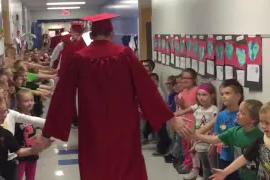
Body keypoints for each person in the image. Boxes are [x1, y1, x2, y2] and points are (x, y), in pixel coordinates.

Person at [35, 13, 190, 180]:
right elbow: (147, 89)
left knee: (96, 166)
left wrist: (47, 133)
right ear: (111, 33)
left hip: (92, 127)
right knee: (126, 166)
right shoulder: (125, 54)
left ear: (91, 35)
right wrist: (170, 118)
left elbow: (62, 96)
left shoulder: (79, 58)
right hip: (124, 126)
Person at [195, 99, 264, 180]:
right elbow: (214, 139)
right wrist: (195, 135)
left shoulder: (260, 137)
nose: (237, 114)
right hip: (238, 173)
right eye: (239, 111)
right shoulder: (234, 131)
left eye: (242, 113)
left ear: (253, 119)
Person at [195, 79, 244, 180]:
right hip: (224, 156)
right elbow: (217, 133)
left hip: (239, 158)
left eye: (227, 93)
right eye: (222, 94)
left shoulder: (242, 114)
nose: (224, 96)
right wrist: (213, 147)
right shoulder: (221, 115)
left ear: (238, 96)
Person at [210, 102, 270, 180]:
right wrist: (225, 172)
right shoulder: (261, 140)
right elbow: (244, 157)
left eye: (268, 123)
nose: (263, 126)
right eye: (261, 122)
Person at [175, 83, 219, 180]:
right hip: (197, 140)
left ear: (212, 96)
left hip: (208, 142)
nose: (201, 97)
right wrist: (170, 116)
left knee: (210, 166)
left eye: (204, 95)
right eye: (199, 95)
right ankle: (199, 174)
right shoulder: (197, 107)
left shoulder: (214, 110)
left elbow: (215, 127)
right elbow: (182, 112)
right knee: (202, 162)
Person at [177, 68, 198, 175]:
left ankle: (192, 166)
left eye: (188, 78)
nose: (185, 80)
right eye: (183, 77)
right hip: (185, 121)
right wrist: (180, 105)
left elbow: (196, 107)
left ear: (194, 79)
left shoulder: (197, 90)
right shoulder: (184, 91)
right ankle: (187, 162)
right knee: (185, 144)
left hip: (194, 122)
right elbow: (185, 107)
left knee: (191, 146)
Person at [15, 90, 40, 180]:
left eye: (31, 100)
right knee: (18, 176)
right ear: (18, 103)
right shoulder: (16, 118)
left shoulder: (33, 114)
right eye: (26, 101)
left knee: (31, 177)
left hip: (32, 153)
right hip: (20, 155)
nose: (30, 103)